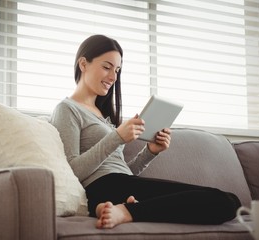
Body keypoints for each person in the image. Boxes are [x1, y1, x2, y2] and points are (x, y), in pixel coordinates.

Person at [50, 34, 241, 229]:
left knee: (232, 201)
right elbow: (72, 170)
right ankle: (127, 211)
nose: (113, 77)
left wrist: (150, 151)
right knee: (222, 201)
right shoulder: (67, 109)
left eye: (117, 70)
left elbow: (123, 172)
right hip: (102, 186)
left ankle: (122, 209)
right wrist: (116, 138)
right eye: (107, 67)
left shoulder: (104, 117)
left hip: (120, 184)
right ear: (83, 64)